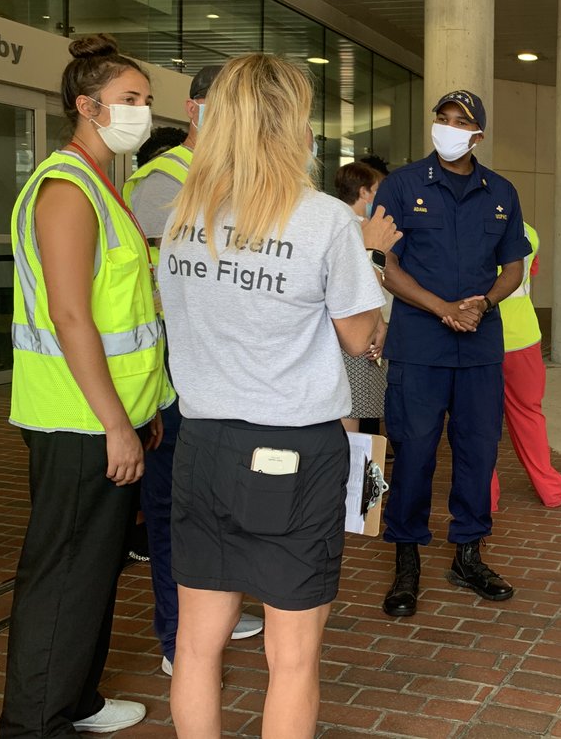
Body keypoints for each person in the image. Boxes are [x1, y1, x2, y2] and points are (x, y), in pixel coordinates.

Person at [157, 53, 397, 737]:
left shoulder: (184, 218)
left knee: (196, 646)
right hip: (294, 448)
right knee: (292, 658)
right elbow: (361, 338)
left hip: (202, 443)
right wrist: (373, 265)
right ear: (292, 125)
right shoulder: (323, 221)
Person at [0, 34, 174, 736]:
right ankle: (34, 724)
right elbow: (70, 316)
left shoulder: (105, 186)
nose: (141, 111)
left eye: (146, 100)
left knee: (94, 572)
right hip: (77, 420)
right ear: (86, 105)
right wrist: (115, 424)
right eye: (128, 99)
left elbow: (125, 314)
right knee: (63, 574)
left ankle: (76, 700)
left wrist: (143, 407)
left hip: (111, 412)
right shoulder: (67, 189)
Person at [121, 64, 263, 677]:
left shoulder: (233, 175)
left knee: (223, 497)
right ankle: (178, 635)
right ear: (196, 107)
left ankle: (218, 606)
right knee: (175, 504)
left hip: (223, 363)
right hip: (175, 367)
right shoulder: (162, 181)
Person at [372, 89, 531, 617]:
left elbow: (514, 266)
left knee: (478, 452)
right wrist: (443, 308)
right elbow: (386, 265)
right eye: (442, 118)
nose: (448, 127)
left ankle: (468, 554)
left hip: (479, 345)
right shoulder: (402, 186)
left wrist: (483, 303)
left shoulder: (501, 192)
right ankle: (406, 562)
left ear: (477, 134)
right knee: (414, 452)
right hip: (420, 345)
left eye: (460, 122)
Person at [490, 222, 561, 509]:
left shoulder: (472, 224)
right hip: (524, 337)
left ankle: (484, 496)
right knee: (528, 413)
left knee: (479, 421)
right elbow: (530, 271)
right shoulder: (529, 232)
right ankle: (550, 488)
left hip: (483, 337)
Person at [333, 161, 391, 435]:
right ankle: (357, 462)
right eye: (377, 190)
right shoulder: (360, 229)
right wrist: (379, 323)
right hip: (361, 327)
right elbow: (362, 283)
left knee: (355, 408)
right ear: (364, 192)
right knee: (356, 410)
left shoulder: (334, 220)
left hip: (346, 329)